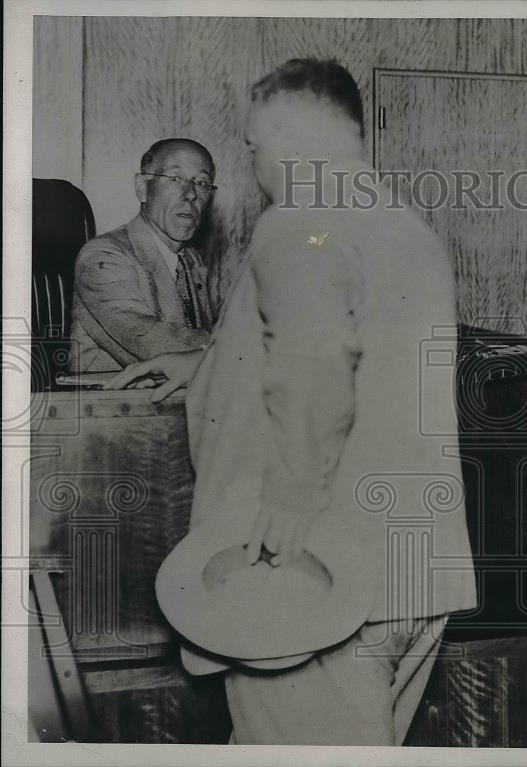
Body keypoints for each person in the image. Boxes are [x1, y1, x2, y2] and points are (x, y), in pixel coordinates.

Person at [111, 58, 477, 745]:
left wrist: (287, 509)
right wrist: (210, 363)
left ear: (286, 137)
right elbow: (357, 344)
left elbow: (314, 357)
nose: (255, 165)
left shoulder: (301, 217)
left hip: (314, 570)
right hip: (410, 568)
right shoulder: (404, 229)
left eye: (253, 146)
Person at [69, 138, 216, 372]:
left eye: (202, 182)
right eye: (175, 179)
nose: (190, 194)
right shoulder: (103, 257)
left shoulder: (191, 261)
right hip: (110, 401)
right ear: (142, 187)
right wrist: (237, 353)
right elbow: (148, 340)